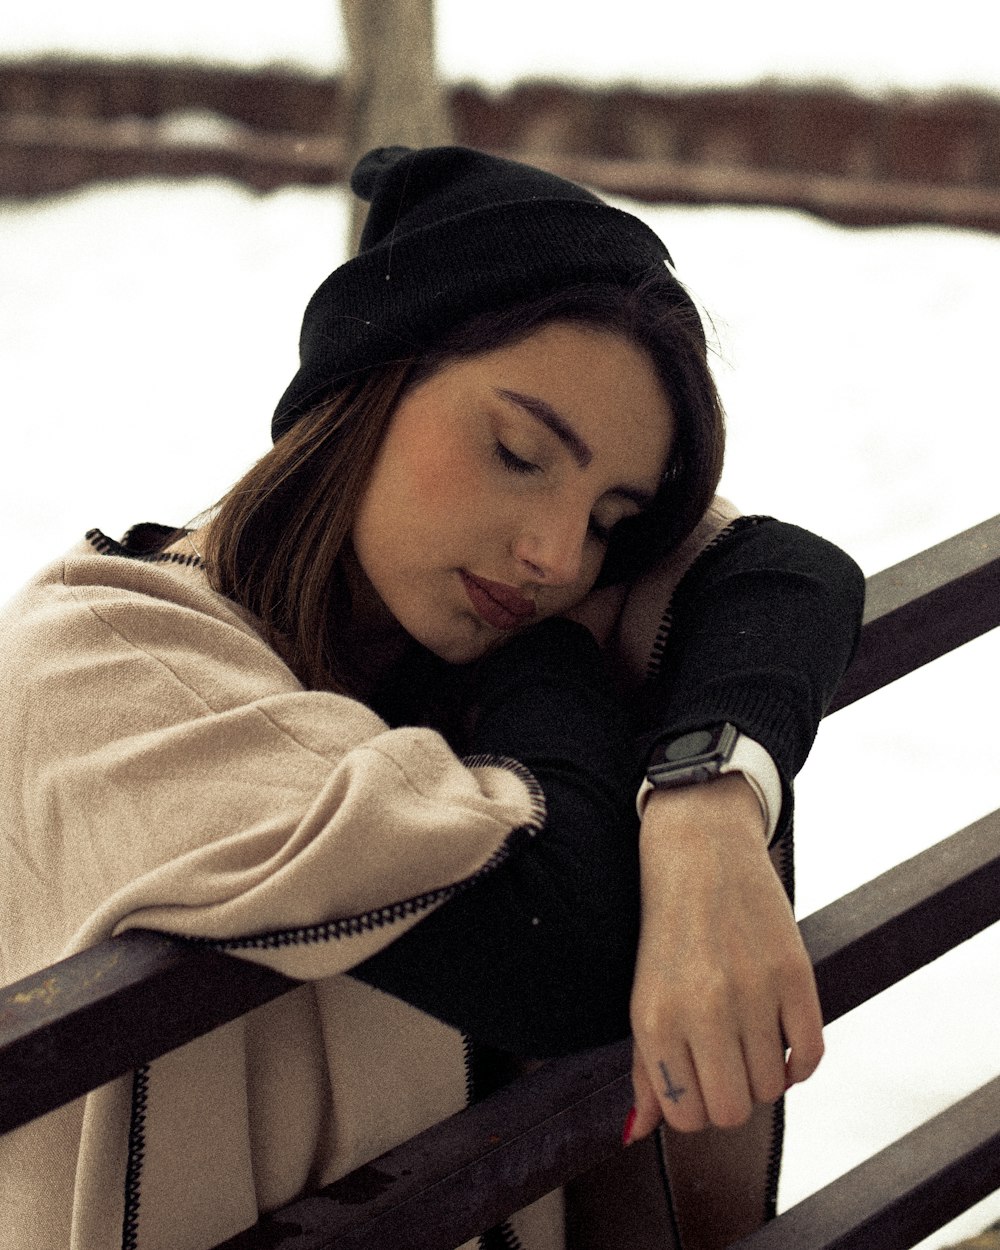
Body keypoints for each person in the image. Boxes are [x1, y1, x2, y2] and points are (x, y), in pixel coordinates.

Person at [0, 146, 864, 1250]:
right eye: (517, 451)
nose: (557, 553)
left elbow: (786, 572)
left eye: (611, 520)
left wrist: (708, 803)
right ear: (368, 382)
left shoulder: (423, 606)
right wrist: (541, 659)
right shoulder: (108, 662)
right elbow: (566, 955)